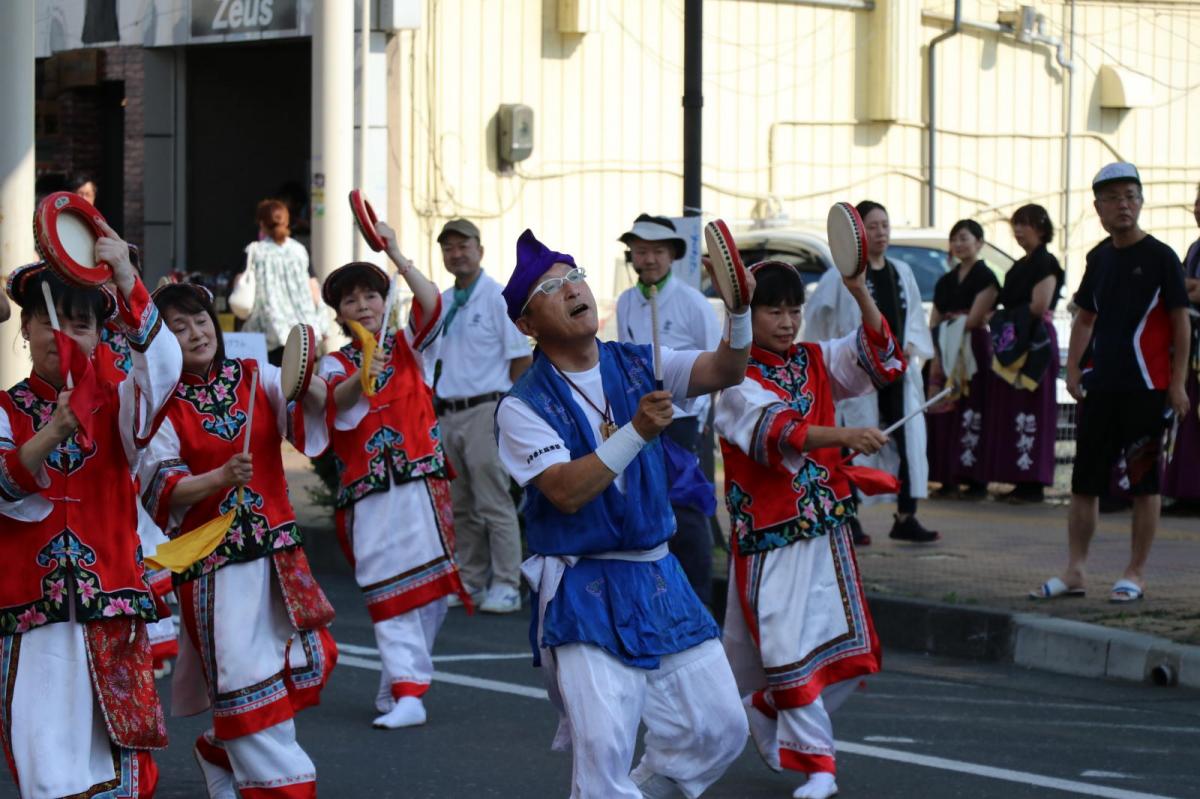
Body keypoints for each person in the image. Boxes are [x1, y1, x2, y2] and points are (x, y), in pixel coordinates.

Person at [495, 229, 750, 798]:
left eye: (574, 276)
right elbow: (564, 491)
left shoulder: (639, 361)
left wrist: (740, 311)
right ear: (526, 324)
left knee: (719, 727)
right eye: (552, 287)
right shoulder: (523, 405)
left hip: (658, 576)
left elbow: (727, 370)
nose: (572, 289)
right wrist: (637, 430)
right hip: (585, 584)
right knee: (603, 750)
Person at [0, 227, 181, 798]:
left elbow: (164, 373)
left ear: (101, 333)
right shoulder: (5, 409)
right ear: (26, 330)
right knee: (46, 765)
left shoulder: (121, 400)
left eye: (82, 323)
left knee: (115, 760)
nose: (65, 334)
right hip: (34, 612)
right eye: (51, 321)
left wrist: (126, 277)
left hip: (111, 605)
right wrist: (53, 429)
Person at [141, 282, 336, 798]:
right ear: (161, 342)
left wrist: (312, 378)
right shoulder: (160, 404)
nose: (195, 332)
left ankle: (220, 748)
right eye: (178, 328)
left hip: (277, 557)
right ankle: (285, 787)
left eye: (200, 319)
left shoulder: (255, 376)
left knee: (305, 662)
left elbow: (305, 412)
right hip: (213, 570)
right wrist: (220, 478)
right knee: (246, 684)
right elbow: (163, 486)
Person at [716, 260, 901, 799]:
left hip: (825, 530)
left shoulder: (814, 359)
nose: (788, 321)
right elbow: (778, 432)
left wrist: (859, 290)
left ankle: (771, 703)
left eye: (794, 309)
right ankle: (820, 765)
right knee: (785, 645)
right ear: (747, 316)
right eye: (774, 310)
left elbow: (882, 360)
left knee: (841, 650)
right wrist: (843, 434)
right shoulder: (733, 378)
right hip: (769, 538)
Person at [319, 221, 470, 728]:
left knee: (432, 591)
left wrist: (397, 252)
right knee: (386, 583)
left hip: (422, 482)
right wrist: (363, 373)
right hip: (369, 493)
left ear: (385, 301)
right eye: (350, 300)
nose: (362, 306)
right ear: (338, 313)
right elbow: (333, 404)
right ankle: (409, 691)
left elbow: (432, 301)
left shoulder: (411, 346)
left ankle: (400, 684)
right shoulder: (331, 365)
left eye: (370, 295)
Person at [1031, 163, 1191, 603]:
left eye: (1131, 196)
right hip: (1102, 388)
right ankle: (1075, 571)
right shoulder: (1099, 258)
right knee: (1085, 482)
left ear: (1140, 202)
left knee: (1144, 482)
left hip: (1146, 387)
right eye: (1114, 198)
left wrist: (1177, 385)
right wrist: (1075, 368)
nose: (1124, 205)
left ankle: (1135, 573)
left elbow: (1181, 324)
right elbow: (1085, 316)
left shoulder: (1162, 258)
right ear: (1098, 207)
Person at [806, 200, 939, 543]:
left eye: (885, 225)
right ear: (858, 233)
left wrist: (909, 346)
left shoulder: (901, 271)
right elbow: (818, 324)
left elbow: (913, 323)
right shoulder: (837, 277)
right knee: (852, 442)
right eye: (873, 226)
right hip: (857, 379)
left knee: (907, 442)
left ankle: (906, 515)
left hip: (897, 372)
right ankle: (848, 516)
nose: (881, 233)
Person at [615, 213, 721, 604]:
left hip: (681, 421)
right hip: (639, 420)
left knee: (686, 507)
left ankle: (698, 600)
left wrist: (706, 417)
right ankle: (655, 599)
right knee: (643, 505)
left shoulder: (692, 302)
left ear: (672, 255)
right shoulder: (627, 302)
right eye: (641, 251)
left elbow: (717, 362)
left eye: (657, 251)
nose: (649, 260)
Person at [427, 218, 531, 613]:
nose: (456, 254)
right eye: (448, 248)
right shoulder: (442, 300)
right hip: (448, 412)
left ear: (480, 250)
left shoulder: (497, 297)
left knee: (494, 501)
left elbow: (521, 356)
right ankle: (469, 580)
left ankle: (506, 582)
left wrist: (511, 407)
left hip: (487, 408)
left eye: (463, 246)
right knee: (462, 506)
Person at [984, 205, 1065, 504]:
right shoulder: (1019, 265)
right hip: (1015, 339)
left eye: (1025, 225)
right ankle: (1020, 477)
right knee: (1016, 409)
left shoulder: (1046, 262)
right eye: (1015, 225)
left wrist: (1005, 318)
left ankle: (1034, 481)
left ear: (1041, 228)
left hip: (1035, 343)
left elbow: (1039, 305)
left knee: (1033, 409)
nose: (1018, 231)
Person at [926, 220, 1000, 498]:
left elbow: (975, 319)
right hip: (945, 348)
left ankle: (975, 477)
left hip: (973, 349)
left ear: (979, 242)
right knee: (945, 409)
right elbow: (935, 317)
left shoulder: (987, 277)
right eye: (954, 239)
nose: (958, 244)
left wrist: (949, 324)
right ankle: (946, 477)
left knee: (973, 408)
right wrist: (938, 337)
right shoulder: (945, 280)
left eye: (964, 238)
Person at [240, 199, 327, 365]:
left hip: (269, 333)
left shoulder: (255, 251)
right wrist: (323, 325)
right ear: (287, 222)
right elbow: (314, 289)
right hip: (304, 334)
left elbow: (241, 287)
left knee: (272, 387)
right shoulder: (300, 250)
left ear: (261, 224)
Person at [1162, 181, 1200, 509]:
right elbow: (1181, 290)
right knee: (1186, 417)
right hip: (1192, 342)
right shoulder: (1194, 247)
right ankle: (1187, 491)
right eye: (1197, 202)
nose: (1197, 208)